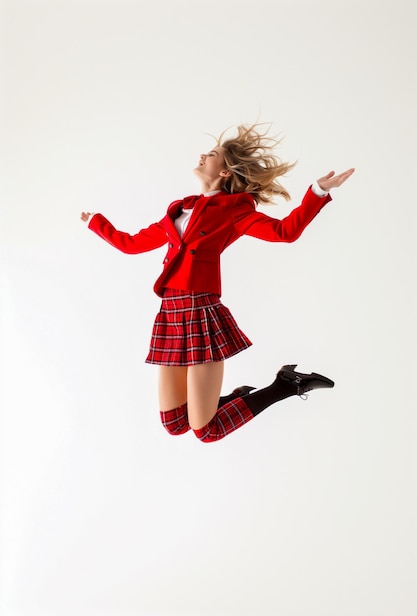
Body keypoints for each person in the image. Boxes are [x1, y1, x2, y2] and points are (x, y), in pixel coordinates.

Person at [81, 124, 354, 443]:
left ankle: (285, 385)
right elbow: (130, 244)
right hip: (170, 315)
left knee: (206, 431)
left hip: (200, 314)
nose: (202, 155)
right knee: (174, 424)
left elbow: (285, 232)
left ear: (225, 172)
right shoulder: (177, 212)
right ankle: (231, 399)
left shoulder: (234, 211)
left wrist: (317, 193)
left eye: (211, 154)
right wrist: (96, 223)